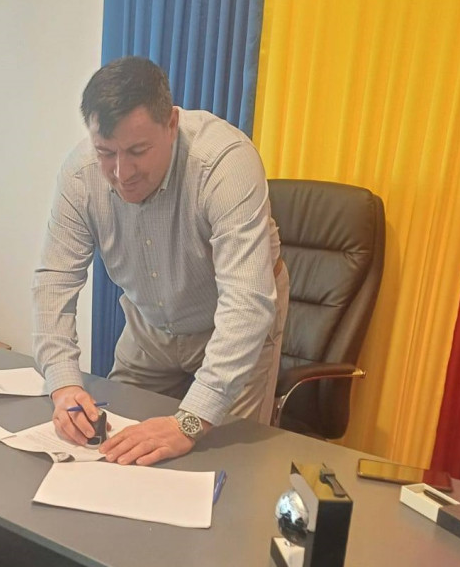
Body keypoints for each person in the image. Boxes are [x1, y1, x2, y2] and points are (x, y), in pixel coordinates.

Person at [32, 56, 289, 466]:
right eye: (106, 152)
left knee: (223, 468)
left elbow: (247, 303)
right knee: (114, 446)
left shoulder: (225, 163)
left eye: (138, 151)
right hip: (149, 325)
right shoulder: (80, 176)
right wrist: (63, 386)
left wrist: (189, 423)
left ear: (171, 124)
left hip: (229, 323)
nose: (122, 172)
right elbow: (54, 282)